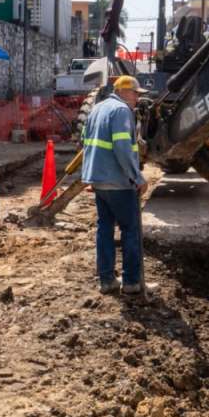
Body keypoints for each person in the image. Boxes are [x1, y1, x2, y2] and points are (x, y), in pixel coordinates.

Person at [81, 75, 149, 294]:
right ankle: (131, 282)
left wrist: (91, 176)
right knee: (130, 231)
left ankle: (107, 280)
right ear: (123, 92)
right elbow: (122, 148)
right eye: (135, 94)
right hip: (119, 183)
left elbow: (86, 142)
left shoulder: (98, 108)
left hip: (100, 181)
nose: (137, 99)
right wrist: (137, 177)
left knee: (105, 230)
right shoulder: (121, 111)